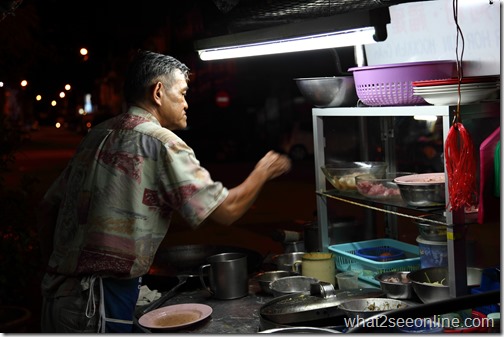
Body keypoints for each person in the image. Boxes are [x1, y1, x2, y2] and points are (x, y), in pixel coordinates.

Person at [36, 49, 291, 333]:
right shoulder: (161, 142)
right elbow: (227, 211)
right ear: (158, 92)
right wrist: (263, 171)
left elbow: (48, 207)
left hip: (56, 298)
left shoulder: (96, 135)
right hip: (98, 303)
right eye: (182, 93)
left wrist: (56, 270)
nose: (186, 103)